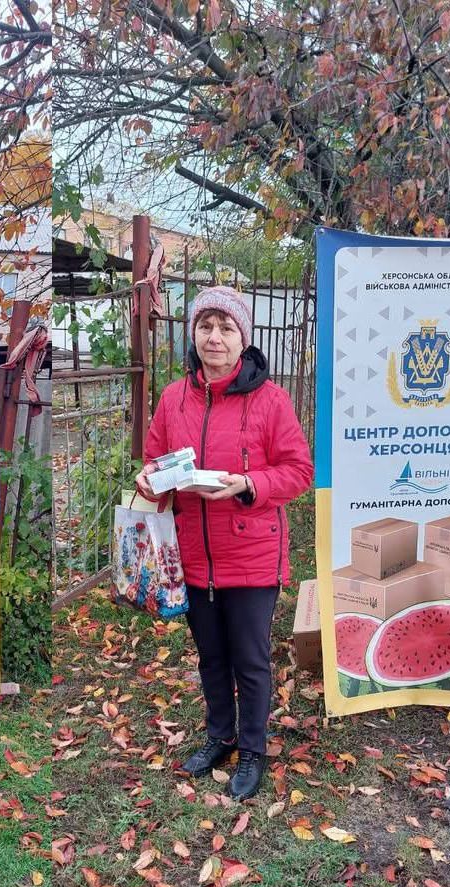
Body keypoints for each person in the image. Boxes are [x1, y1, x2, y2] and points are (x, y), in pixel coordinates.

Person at [135, 286, 313, 801]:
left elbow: (298, 470)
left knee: (250, 660)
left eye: (227, 328)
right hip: (192, 552)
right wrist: (151, 480)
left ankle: (253, 750)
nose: (215, 337)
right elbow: (154, 457)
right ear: (193, 334)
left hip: (252, 553)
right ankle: (220, 736)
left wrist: (251, 484)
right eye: (206, 326)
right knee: (210, 656)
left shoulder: (271, 400)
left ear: (243, 340)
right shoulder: (174, 398)